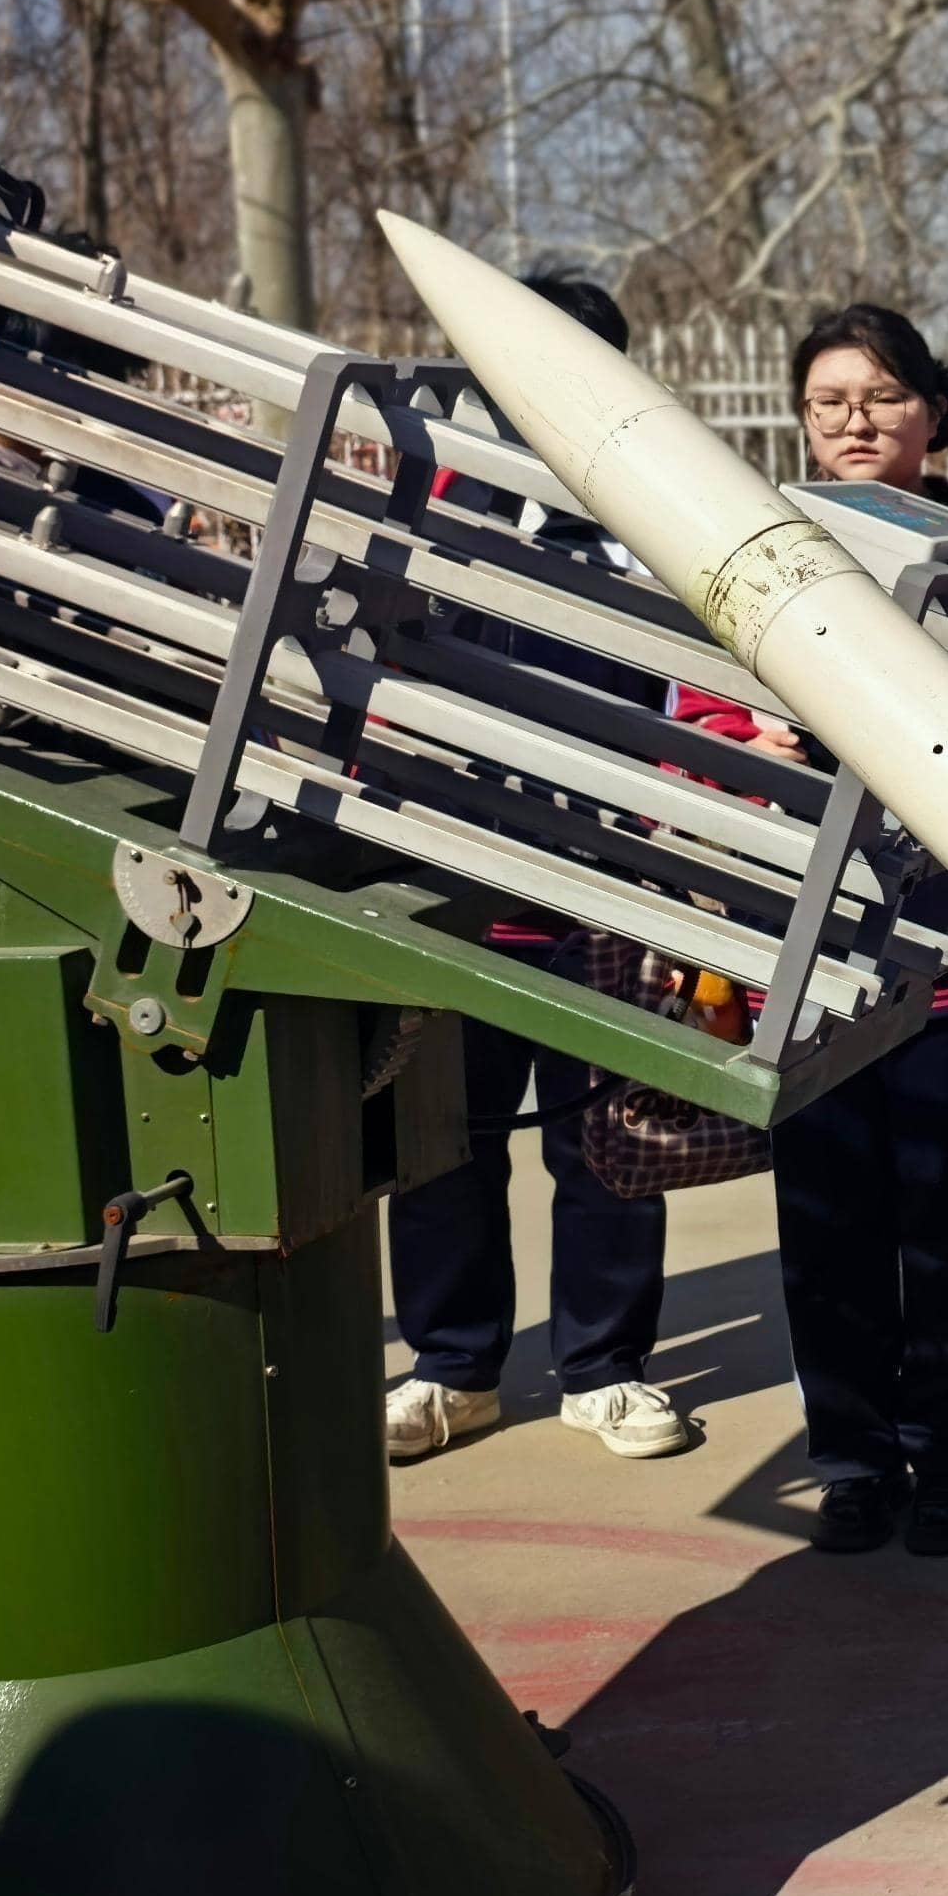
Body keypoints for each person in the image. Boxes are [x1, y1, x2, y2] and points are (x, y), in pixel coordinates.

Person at [688, 303, 948, 1558]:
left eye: (882, 396)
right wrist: (753, 747)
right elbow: (696, 717)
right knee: (827, 1226)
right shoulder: (747, 549)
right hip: (809, 960)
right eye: (829, 401)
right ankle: (854, 1457)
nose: (856, 421)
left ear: (933, 410)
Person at [383, 269, 688, 1465]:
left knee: (610, 1146)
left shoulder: (658, 525)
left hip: (605, 901)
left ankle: (604, 1369)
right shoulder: (439, 510)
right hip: (459, 896)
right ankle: (452, 1369)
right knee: (442, 1147)